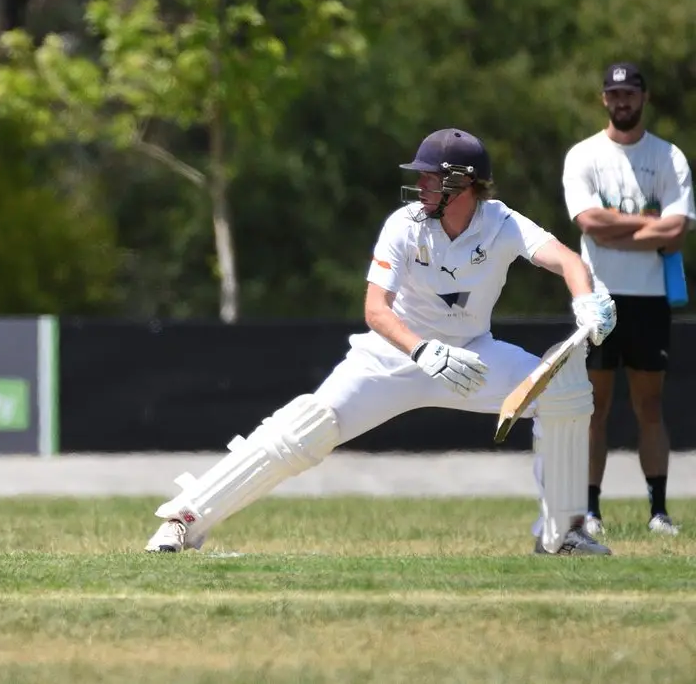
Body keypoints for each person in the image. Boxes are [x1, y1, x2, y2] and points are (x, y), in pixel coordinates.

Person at [145, 129, 618, 556]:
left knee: (565, 392)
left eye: (432, 178)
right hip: (392, 356)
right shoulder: (404, 224)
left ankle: (562, 533)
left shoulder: (502, 222)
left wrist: (586, 302)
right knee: (304, 428)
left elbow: (568, 262)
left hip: (472, 356)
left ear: (464, 183)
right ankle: (184, 520)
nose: (423, 187)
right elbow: (375, 309)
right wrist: (422, 350)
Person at [559, 62, 694, 537]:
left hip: (649, 297)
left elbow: (678, 228)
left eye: (629, 94)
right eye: (613, 94)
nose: (622, 102)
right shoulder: (584, 156)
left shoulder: (668, 157)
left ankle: (658, 509)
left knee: (650, 405)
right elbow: (588, 224)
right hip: (598, 297)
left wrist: (620, 231)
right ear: (603, 100)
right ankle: (591, 510)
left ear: (644, 98)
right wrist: (647, 229)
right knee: (594, 406)